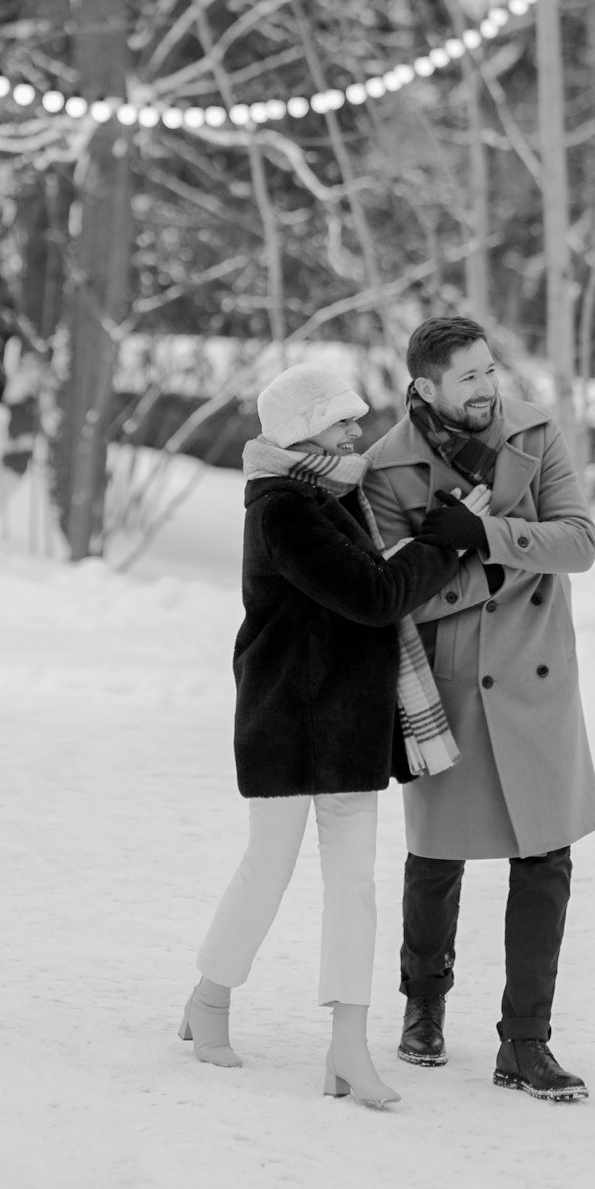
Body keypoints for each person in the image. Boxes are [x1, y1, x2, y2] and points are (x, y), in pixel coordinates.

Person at [180, 363, 476, 1108]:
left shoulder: (333, 493)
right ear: (303, 430)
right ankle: (210, 998)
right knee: (268, 867)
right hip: (286, 718)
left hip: (347, 721)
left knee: (354, 887)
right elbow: (373, 596)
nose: (357, 432)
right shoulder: (283, 505)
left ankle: (348, 1047)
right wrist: (440, 549)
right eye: (343, 421)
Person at [365, 316, 595, 1104]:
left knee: (546, 860)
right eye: (468, 376)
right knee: (437, 857)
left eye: (490, 370)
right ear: (426, 386)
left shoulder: (536, 435)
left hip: (535, 682)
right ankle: (424, 1005)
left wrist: (484, 537)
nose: (486, 387)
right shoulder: (385, 468)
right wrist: (473, 561)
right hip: (451, 685)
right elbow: (394, 593)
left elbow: (577, 542)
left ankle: (525, 1043)